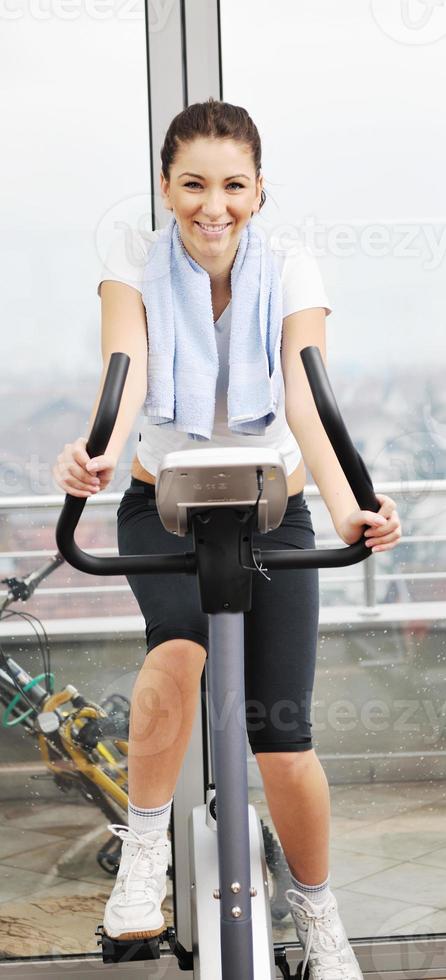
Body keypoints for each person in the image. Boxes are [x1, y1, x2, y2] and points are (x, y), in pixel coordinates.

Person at [53, 98, 402, 978]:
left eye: (234, 185)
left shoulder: (290, 265)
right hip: (161, 509)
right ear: (166, 187)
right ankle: (144, 860)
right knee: (180, 648)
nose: (215, 205)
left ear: (258, 189)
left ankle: (321, 922)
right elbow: (125, 380)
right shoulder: (132, 261)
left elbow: (304, 398)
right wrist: (93, 457)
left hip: (272, 515)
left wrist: (352, 503)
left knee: (282, 741)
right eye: (194, 184)